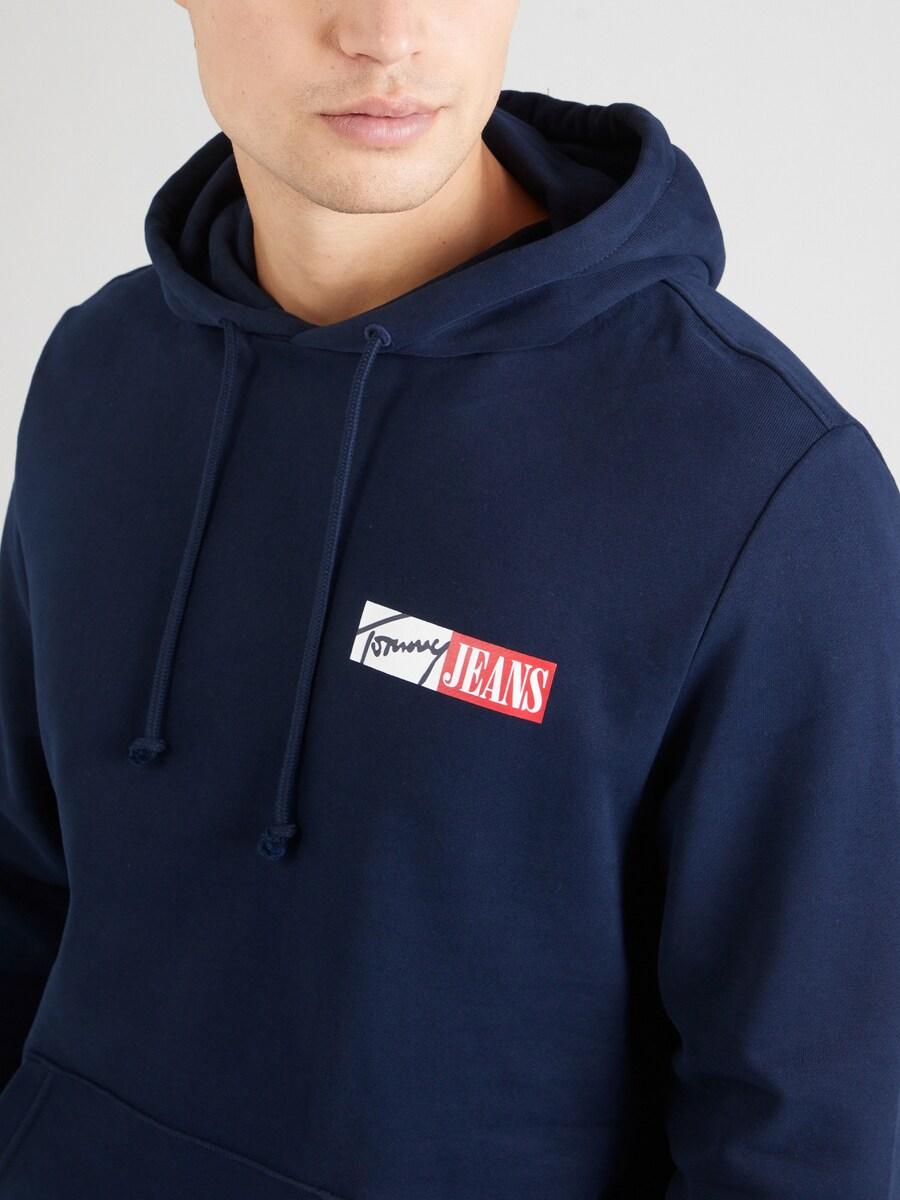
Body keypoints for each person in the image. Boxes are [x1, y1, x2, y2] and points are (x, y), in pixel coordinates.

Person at [1, 1, 898, 1196]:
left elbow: (807, 1137)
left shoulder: (764, 482)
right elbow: (21, 892)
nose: (386, 32)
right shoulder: (96, 373)